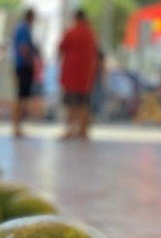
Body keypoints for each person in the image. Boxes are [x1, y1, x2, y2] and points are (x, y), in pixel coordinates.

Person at [58, 9, 98, 140]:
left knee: (71, 103)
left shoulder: (71, 32)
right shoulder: (90, 33)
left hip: (71, 73)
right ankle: (83, 130)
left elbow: (60, 48)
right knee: (84, 102)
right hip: (86, 74)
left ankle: (70, 130)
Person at [12, 9, 37, 138]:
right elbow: (23, 48)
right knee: (21, 97)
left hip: (22, 66)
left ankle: (18, 126)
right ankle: (16, 126)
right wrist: (30, 62)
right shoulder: (23, 29)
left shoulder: (22, 28)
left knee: (22, 97)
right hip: (23, 66)